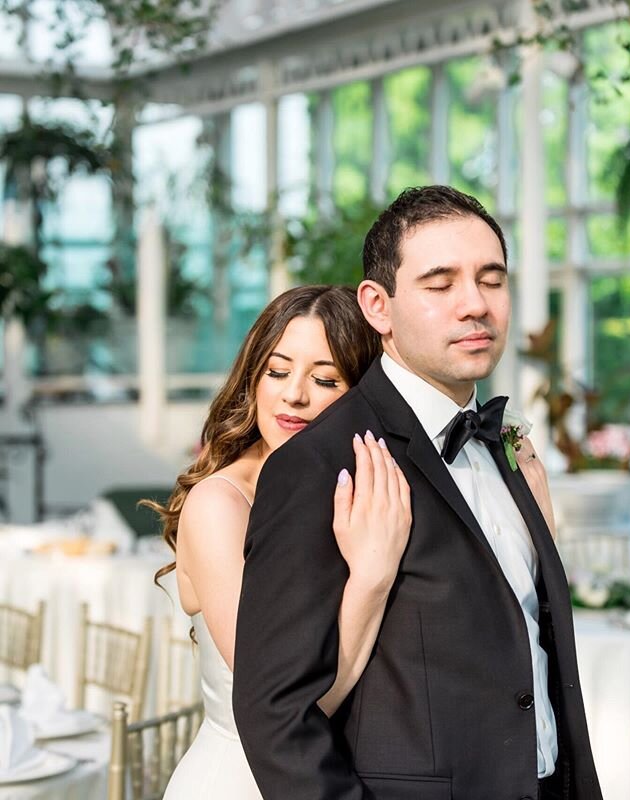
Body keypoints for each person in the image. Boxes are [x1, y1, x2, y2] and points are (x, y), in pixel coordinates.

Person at [232, 186, 602, 800]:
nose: (475, 305)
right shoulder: (320, 464)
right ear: (378, 306)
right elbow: (275, 713)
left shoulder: (508, 448)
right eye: (440, 284)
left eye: (492, 280)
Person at [151, 285, 413, 799]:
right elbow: (290, 706)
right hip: (242, 782)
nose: (294, 394)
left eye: (325, 378)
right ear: (253, 379)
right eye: (277, 371)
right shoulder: (218, 505)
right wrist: (372, 577)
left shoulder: (367, 497)